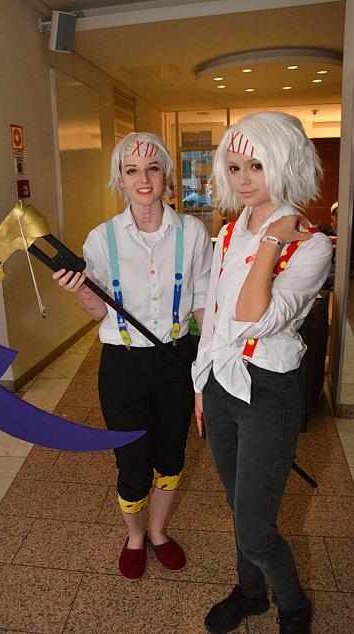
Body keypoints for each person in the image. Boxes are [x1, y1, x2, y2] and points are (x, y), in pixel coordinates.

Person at [193, 112, 332, 634]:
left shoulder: (310, 244)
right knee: (239, 507)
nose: (244, 179)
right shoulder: (229, 232)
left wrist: (272, 240)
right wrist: (200, 384)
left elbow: (252, 315)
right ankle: (250, 593)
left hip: (269, 388)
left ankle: (293, 605)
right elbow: (216, 315)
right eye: (234, 168)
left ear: (285, 163)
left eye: (257, 165)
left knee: (255, 529)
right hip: (220, 383)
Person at [53, 131, 213, 580]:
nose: (143, 179)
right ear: (120, 179)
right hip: (122, 364)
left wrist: (210, 358)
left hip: (177, 359)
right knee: (132, 464)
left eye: (152, 168)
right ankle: (136, 535)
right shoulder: (101, 238)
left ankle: (158, 531)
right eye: (132, 170)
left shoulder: (192, 232)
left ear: (166, 175)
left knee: (172, 454)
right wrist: (83, 290)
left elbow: (204, 299)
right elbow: (97, 310)